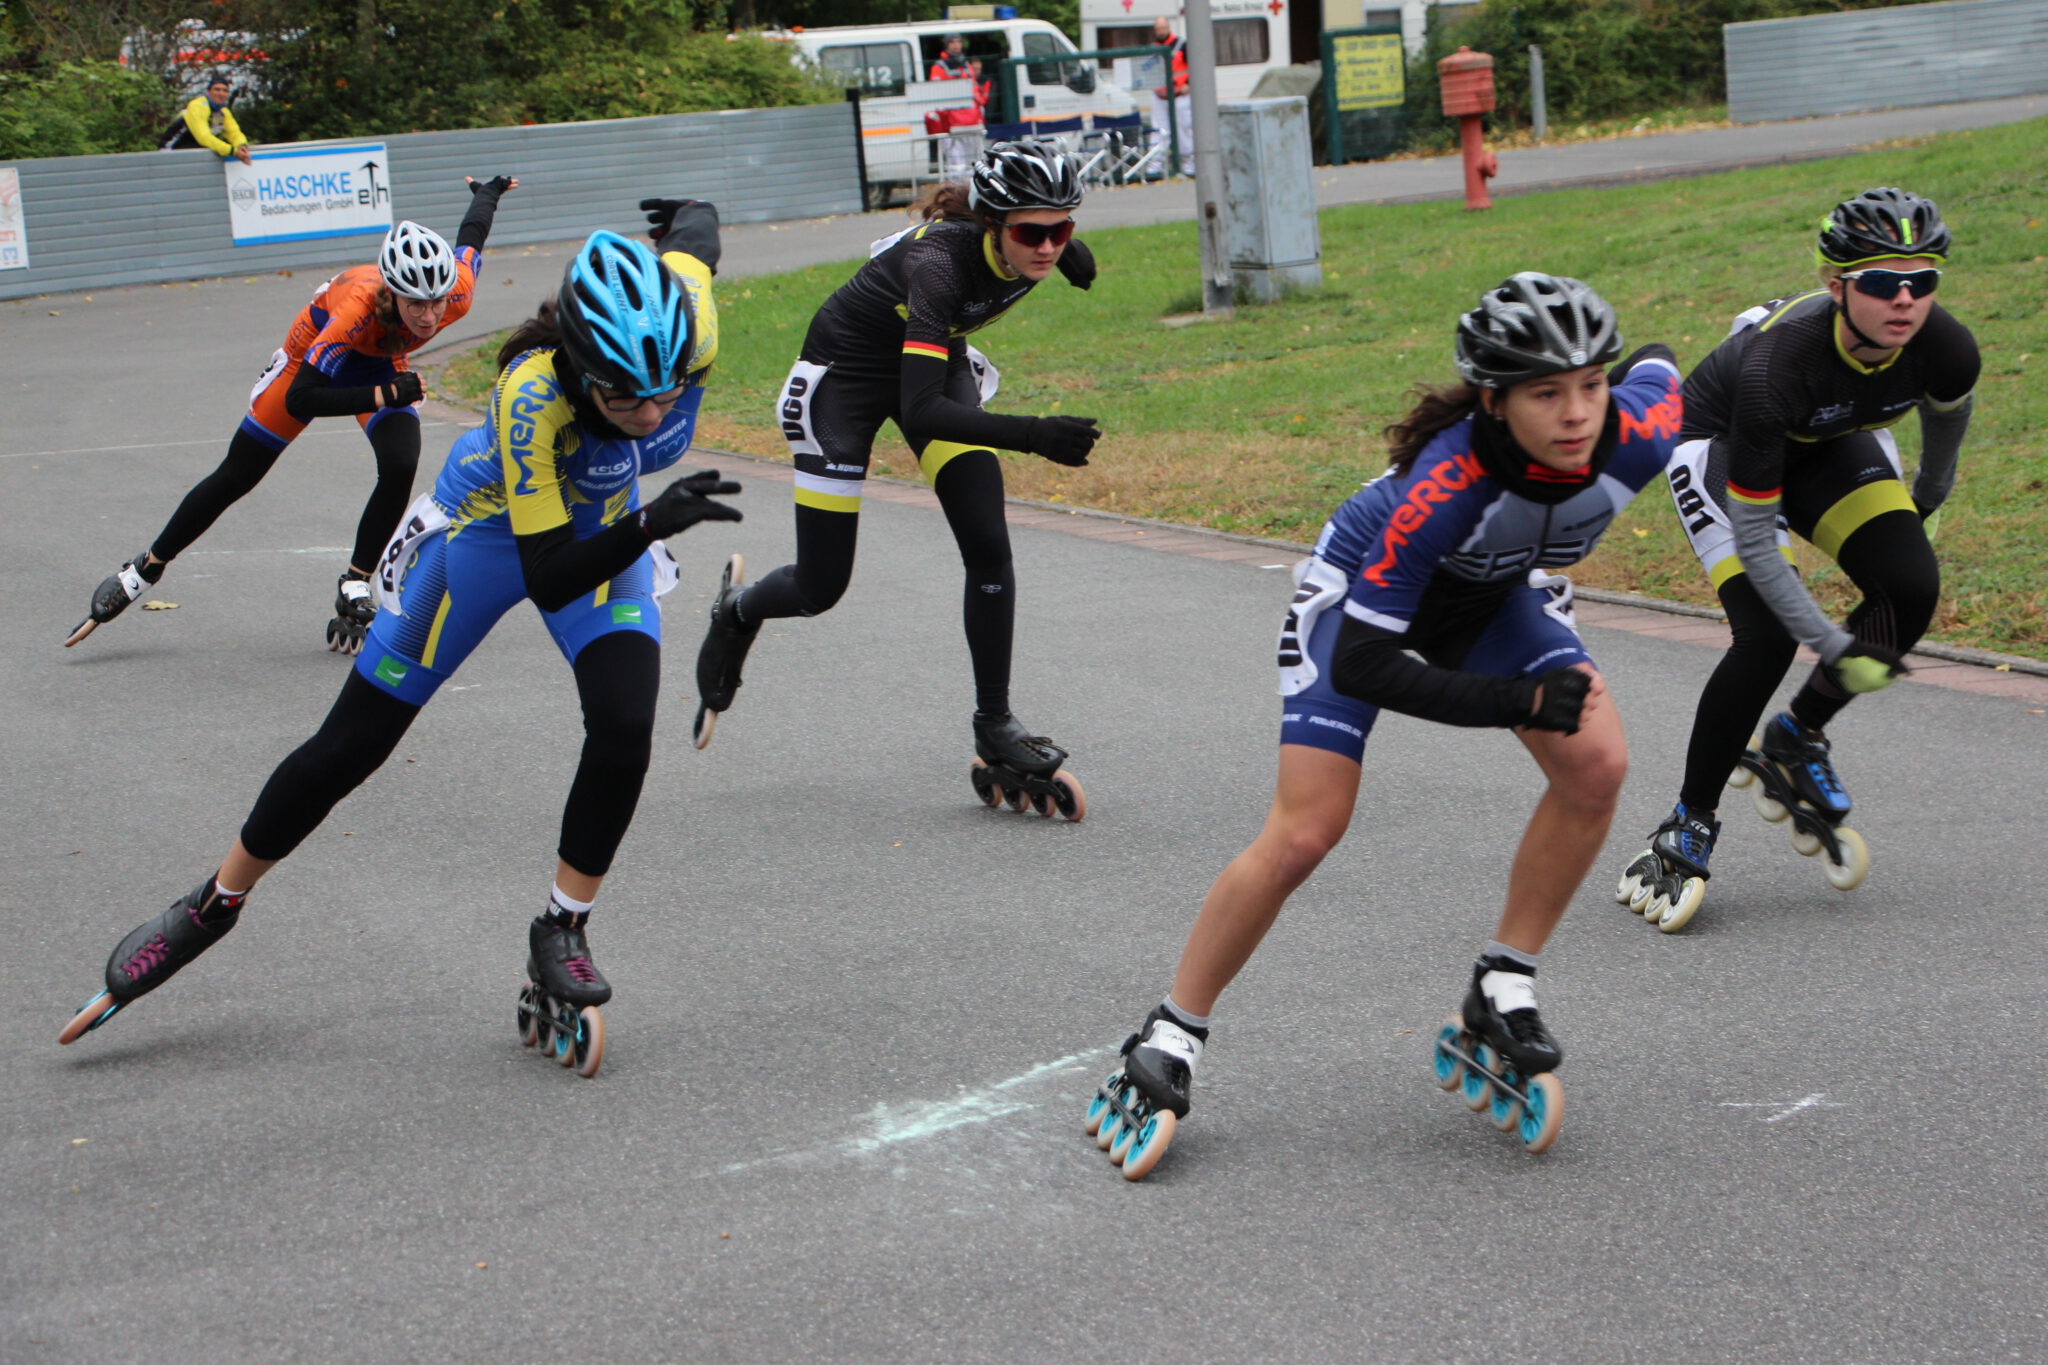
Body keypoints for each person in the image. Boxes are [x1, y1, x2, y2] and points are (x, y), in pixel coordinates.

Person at [58, 213, 742, 1078]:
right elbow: (553, 574)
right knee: (351, 747)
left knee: (623, 725)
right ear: (578, 362)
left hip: (604, 534)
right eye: (624, 398)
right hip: (491, 542)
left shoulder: (688, 332)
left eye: (666, 392)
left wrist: (685, 219)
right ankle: (214, 900)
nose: (651, 416)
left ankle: (561, 926)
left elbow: (699, 246)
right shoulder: (532, 395)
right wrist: (650, 519)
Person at [1087, 274, 1685, 1178]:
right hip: (1361, 609)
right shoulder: (1444, 486)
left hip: (1489, 594)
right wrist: (1516, 705)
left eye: (1591, 383)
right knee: (1306, 830)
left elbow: (1671, 371)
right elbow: (1370, 666)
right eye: (1545, 392)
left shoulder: (1636, 428)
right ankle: (1171, 1033)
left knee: (1597, 765)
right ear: (1493, 400)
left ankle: (1503, 982)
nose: (1577, 414)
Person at [691, 140, 1100, 811]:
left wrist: (1073, 254)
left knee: (989, 544)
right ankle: (737, 611)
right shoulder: (940, 266)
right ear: (993, 224)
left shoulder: (1039, 244)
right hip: (846, 382)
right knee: (821, 584)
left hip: (930, 362)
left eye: (1063, 230)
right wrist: (1034, 434)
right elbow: (923, 412)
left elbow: (1058, 253)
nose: (1050, 248)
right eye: (1033, 233)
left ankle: (994, 719)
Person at [1616, 188, 1978, 932]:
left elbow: (1940, 455)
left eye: (1924, 278)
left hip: (1829, 439)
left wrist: (1914, 525)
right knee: (1767, 636)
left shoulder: (1946, 347)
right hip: (1725, 445)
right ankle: (1689, 819)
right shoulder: (1776, 366)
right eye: (1881, 281)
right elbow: (1757, 541)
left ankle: (1797, 734)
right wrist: (1834, 639)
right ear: (1835, 285)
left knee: (1909, 587)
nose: (1905, 299)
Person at [65, 175, 518, 653]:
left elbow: (471, 239)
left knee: (401, 463)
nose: (429, 316)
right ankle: (145, 568)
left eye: (436, 302)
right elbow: (304, 399)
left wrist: (485, 193)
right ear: (391, 294)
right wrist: (386, 394)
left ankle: (356, 582)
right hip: (310, 364)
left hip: (382, 362)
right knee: (238, 474)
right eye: (415, 304)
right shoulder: (358, 312)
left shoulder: (456, 294)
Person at [159, 74, 252, 164]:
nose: (221, 93)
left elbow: (233, 132)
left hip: (194, 150)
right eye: (217, 90)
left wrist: (241, 145)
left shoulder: (222, 111)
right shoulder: (197, 106)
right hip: (171, 150)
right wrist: (232, 151)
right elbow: (203, 137)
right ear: (208, 92)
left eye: (225, 91)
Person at [1146, 15, 1192, 178]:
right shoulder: (1153, 48)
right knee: (1158, 132)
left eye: (1163, 28)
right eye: (1158, 29)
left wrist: (1189, 83)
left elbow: (1195, 65)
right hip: (1160, 96)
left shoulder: (1181, 45)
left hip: (1180, 95)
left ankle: (1188, 166)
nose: (1160, 31)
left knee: (1184, 130)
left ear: (1168, 27)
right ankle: (1154, 168)